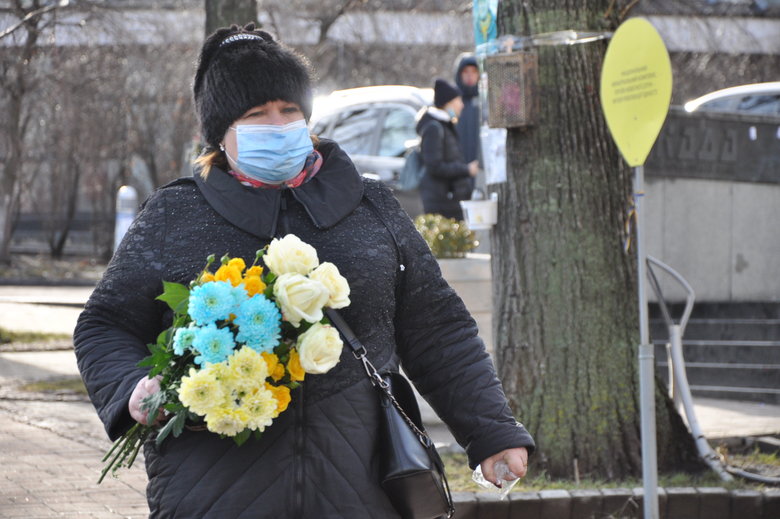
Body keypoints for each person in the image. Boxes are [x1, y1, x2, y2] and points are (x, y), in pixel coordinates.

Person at [74, 24, 534, 518]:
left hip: (359, 485)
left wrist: (491, 431)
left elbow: (436, 328)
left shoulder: (370, 205)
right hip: (212, 492)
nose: (277, 124)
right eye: (256, 115)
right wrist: (133, 389)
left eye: (288, 110)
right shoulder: (176, 214)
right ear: (219, 134)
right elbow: (105, 324)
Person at [417, 78, 479, 221]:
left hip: (450, 202)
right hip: (441, 204)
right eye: (459, 101)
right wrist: (466, 170)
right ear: (448, 103)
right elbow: (434, 166)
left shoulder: (445, 126)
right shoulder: (434, 128)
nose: (462, 105)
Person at [454, 53, 482, 166]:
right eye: (466, 72)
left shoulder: (485, 102)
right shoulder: (452, 102)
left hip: (481, 172)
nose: (470, 76)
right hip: (456, 170)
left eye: (474, 71)